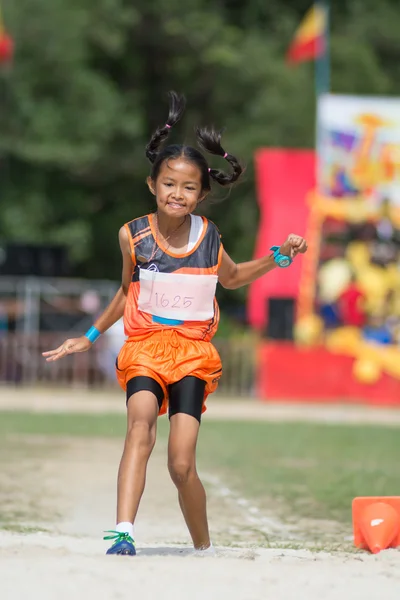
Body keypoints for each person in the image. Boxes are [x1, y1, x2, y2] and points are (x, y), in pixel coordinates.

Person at [42, 91, 308, 557]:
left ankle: (202, 546)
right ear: (152, 185)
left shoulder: (209, 236)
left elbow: (233, 277)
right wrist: (87, 337)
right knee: (139, 426)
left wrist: (278, 257)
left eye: (188, 187)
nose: (177, 194)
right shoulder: (134, 235)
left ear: (201, 194)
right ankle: (123, 530)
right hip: (144, 345)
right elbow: (127, 290)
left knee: (181, 463)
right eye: (168, 184)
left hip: (192, 354)